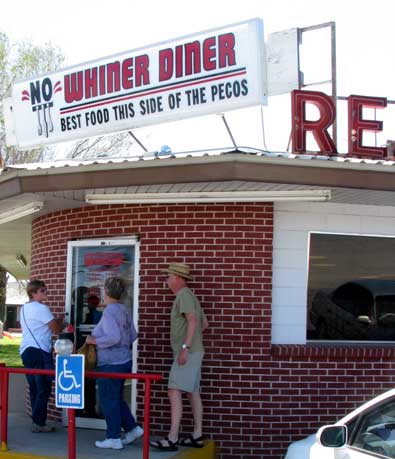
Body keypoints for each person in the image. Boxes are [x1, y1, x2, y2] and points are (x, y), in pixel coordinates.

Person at [150, 262, 209, 452]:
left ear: (177, 278)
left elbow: (193, 321)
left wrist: (185, 347)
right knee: (192, 392)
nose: (165, 280)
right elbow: (204, 324)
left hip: (188, 352)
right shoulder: (190, 296)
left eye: (167, 277)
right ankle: (197, 435)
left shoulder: (183, 295)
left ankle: (172, 438)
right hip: (195, 351)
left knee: (173, 390)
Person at [85, 276, 143, 450]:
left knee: (108, 400)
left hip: (110, 363)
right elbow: (133, 335)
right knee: (116, 399)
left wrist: (93, 341)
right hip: (124, 360)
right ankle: (132, 429)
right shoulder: (123, 309)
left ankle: (113, 438)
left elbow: (113, 337)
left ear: (106, 291)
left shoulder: (110, 311)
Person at [20, 279, 65, 433]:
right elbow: (56, 329)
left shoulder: (24, 308)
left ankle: (36, 421)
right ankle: (39, 423)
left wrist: (56, 321)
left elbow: (43, 325)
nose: (46, 293)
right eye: (43, 291)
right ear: (34, 293)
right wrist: (62, 323)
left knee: (34, 387)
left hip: (26, 350)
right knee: (44, 388)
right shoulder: (42, 308)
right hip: (40, 350)